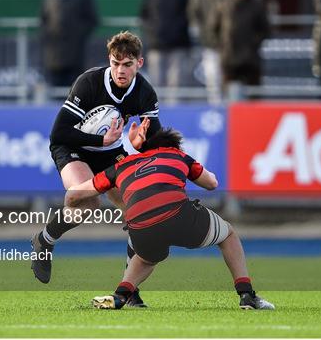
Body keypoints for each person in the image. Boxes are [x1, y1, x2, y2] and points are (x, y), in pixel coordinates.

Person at [64, 126, 275, 310]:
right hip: (178, 214)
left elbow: (76, 193)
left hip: (138, 223)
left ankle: (120, 295)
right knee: (228, 235)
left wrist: (70, 205)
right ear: (175, 146)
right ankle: (247, 294)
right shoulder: (178, 156)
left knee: (147, 257)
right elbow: (212, 184)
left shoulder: (122, 165)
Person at [31, 31, 162, 307]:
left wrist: (141, 144)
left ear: (140, 63)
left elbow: (156, 142)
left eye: (127, 64)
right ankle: (44, 240)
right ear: (109, 61)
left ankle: (129, 288)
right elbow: (59, 134)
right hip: (73, 148)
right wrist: (99, 139)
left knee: (138, 209)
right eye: (115, 63)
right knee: (88, 203)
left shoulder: (145, 93)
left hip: (110, 152)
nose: (120, 70)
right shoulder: (89, 82)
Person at [140, 0, 191, 103]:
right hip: (156, 45)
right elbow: (144, 15)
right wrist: (152, 33)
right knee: (156, 82)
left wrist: (179, 31)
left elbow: (190, 14)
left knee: (177, 83)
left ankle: (176, 113)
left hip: (178, 44)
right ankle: (156, 111)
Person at [213, 0, 270, 90]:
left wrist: (253, 43)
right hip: (229, 59)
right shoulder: (223, 4)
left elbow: (265, 30)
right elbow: (214, 29)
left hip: (250, 59)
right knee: (230, 95)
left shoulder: (256, 5)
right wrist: (223, 46)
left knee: (253, 95)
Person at [40, 0, 98, 87]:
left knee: (75, 91)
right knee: (55, 93)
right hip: (53, 59)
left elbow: (92, 20)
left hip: (75, 58)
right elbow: (44, 21)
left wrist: (78, 35)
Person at [188, 0, 224, 105]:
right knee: (212, 77)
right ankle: (215, 105)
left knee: (226, 79)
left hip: (228, 46)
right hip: (209, 44)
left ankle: (229, 106)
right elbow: (193, 15)